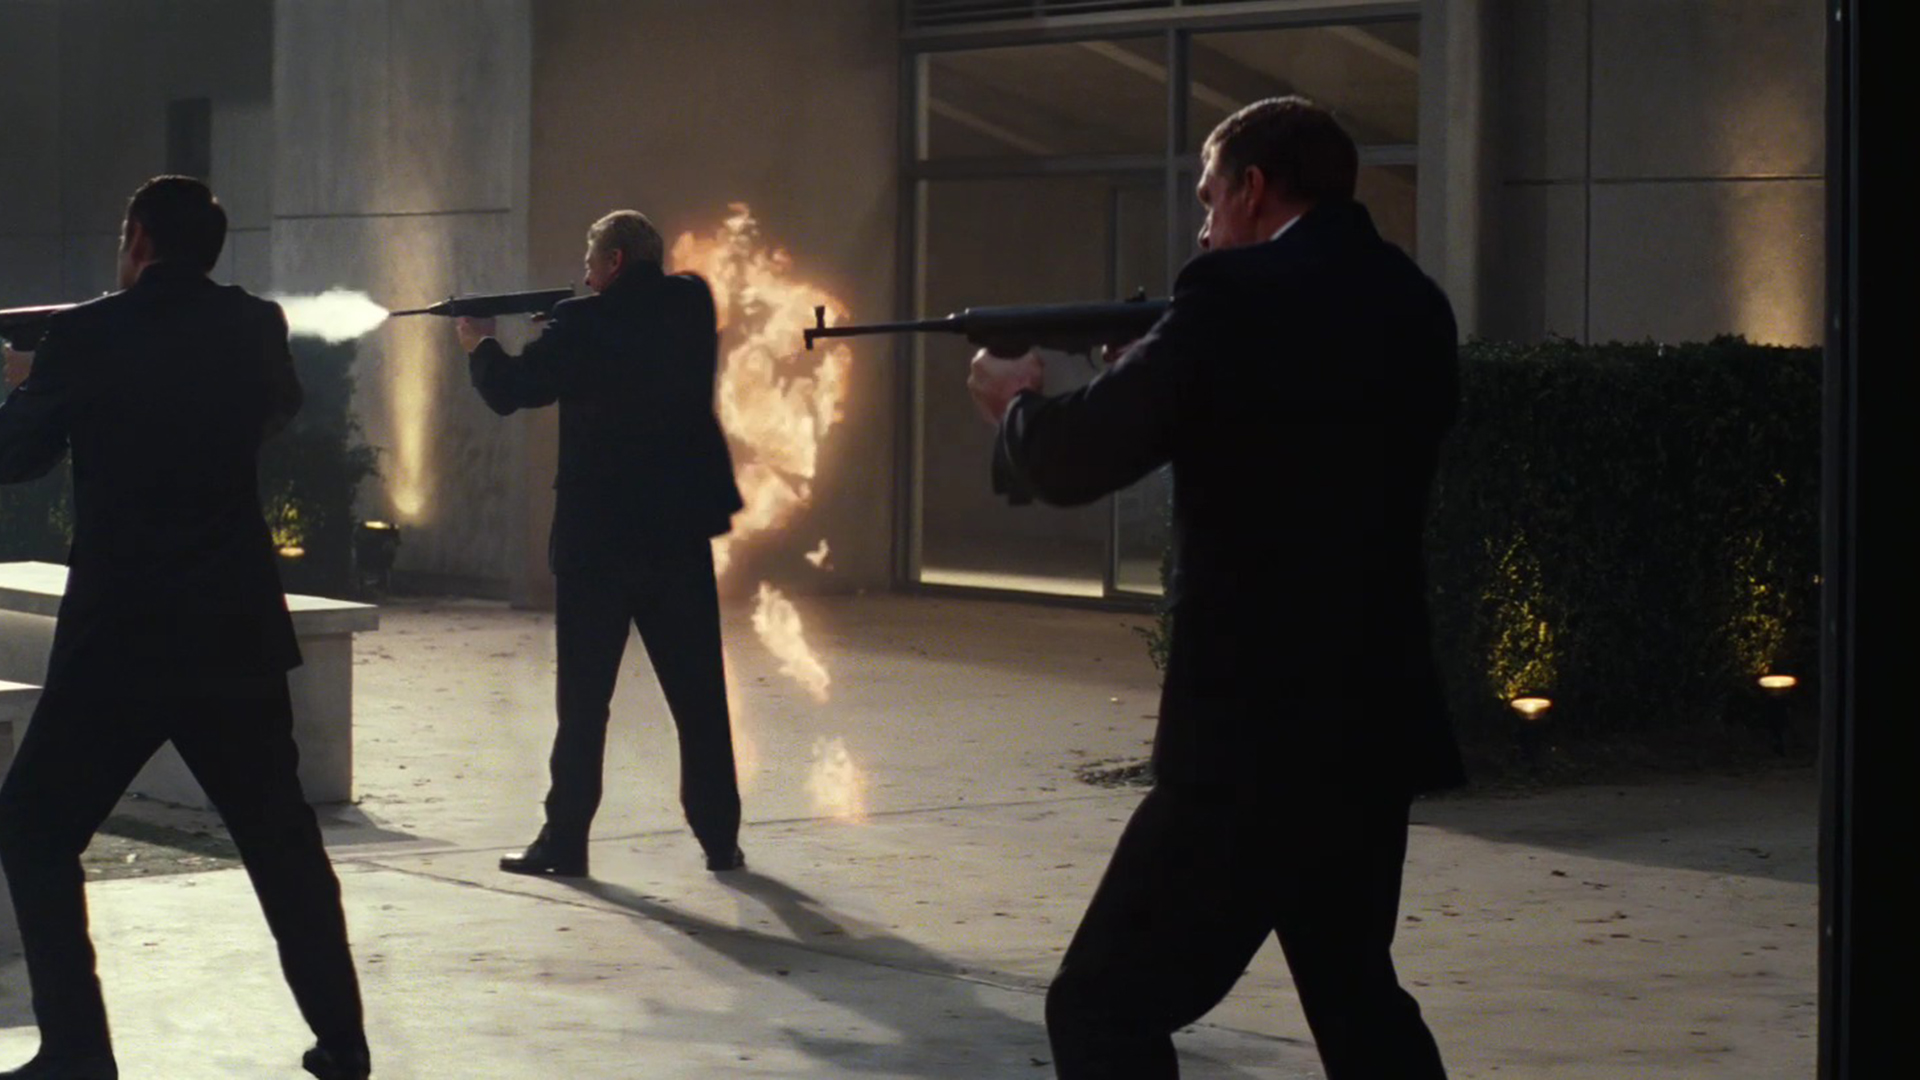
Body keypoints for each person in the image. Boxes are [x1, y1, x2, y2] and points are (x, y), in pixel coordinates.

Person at [966, 96, 1466, 1079]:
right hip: (1371, 718)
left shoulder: (1232, 297)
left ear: (1254, 188)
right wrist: (1164, 376)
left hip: (1250, 731)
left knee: (1101, 1007)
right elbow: (1298, 437)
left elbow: (1076, 457)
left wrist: (1015, 406)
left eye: (1209, 198)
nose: (1201, 228)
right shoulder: (1411, 298)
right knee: (1357, 999)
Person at [0, 176, 371, 1080]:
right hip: (233, 627)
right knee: (282, 843)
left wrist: (28, 386)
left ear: (137, 239)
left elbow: (17, 457)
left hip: (120, 636)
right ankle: (344, 1040)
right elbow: (274, 411)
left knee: (35, 831)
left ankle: (78, 1049)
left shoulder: (83, 336)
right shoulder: (254, 326)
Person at [456, 209, 747, 877]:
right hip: (677, 532)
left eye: (592, 264)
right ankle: (719, 838)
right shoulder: (690, 301)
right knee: (699, 696)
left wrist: (481, 346)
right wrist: (565, 325)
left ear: (613, 261)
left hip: (600, 543)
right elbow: (629, 332)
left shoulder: (580, 326)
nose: (585, 277)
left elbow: (514, 390)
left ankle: (566, 841)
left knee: (584, 704)